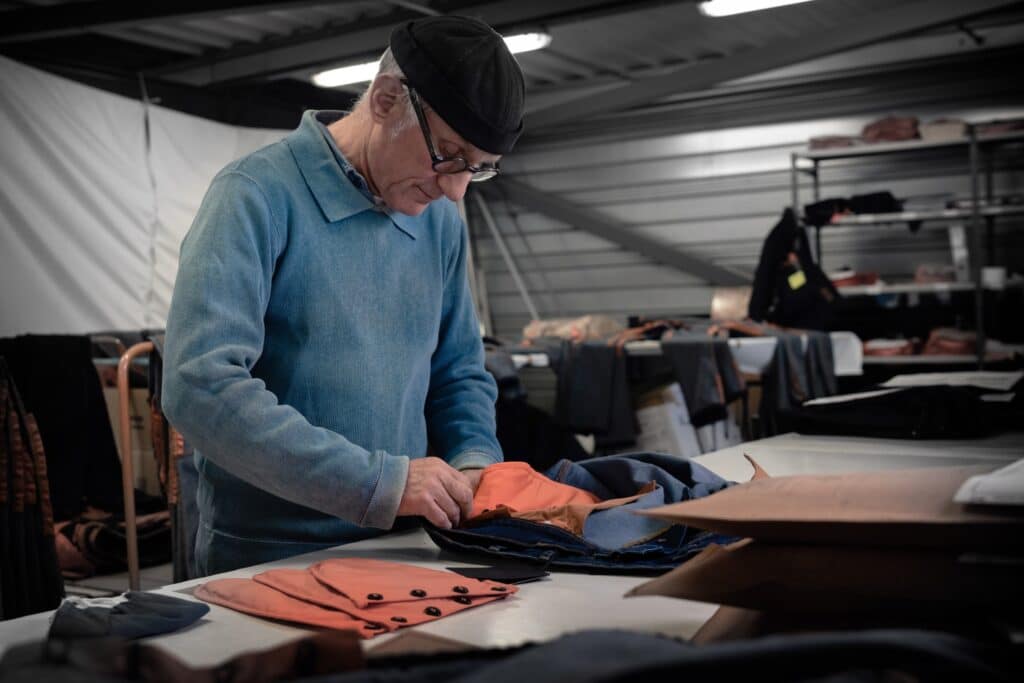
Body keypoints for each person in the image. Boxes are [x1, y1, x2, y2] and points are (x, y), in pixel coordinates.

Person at [162, 15, 526, 575]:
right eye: (449, 155)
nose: (454, 189)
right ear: (385, 100)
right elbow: (200, 388)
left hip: (412, 548)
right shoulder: (254, 196)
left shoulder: (440, 224)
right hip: (270, 557)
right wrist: (379, 482)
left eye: (476, 170)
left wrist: (475, 459)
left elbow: (458, 373)